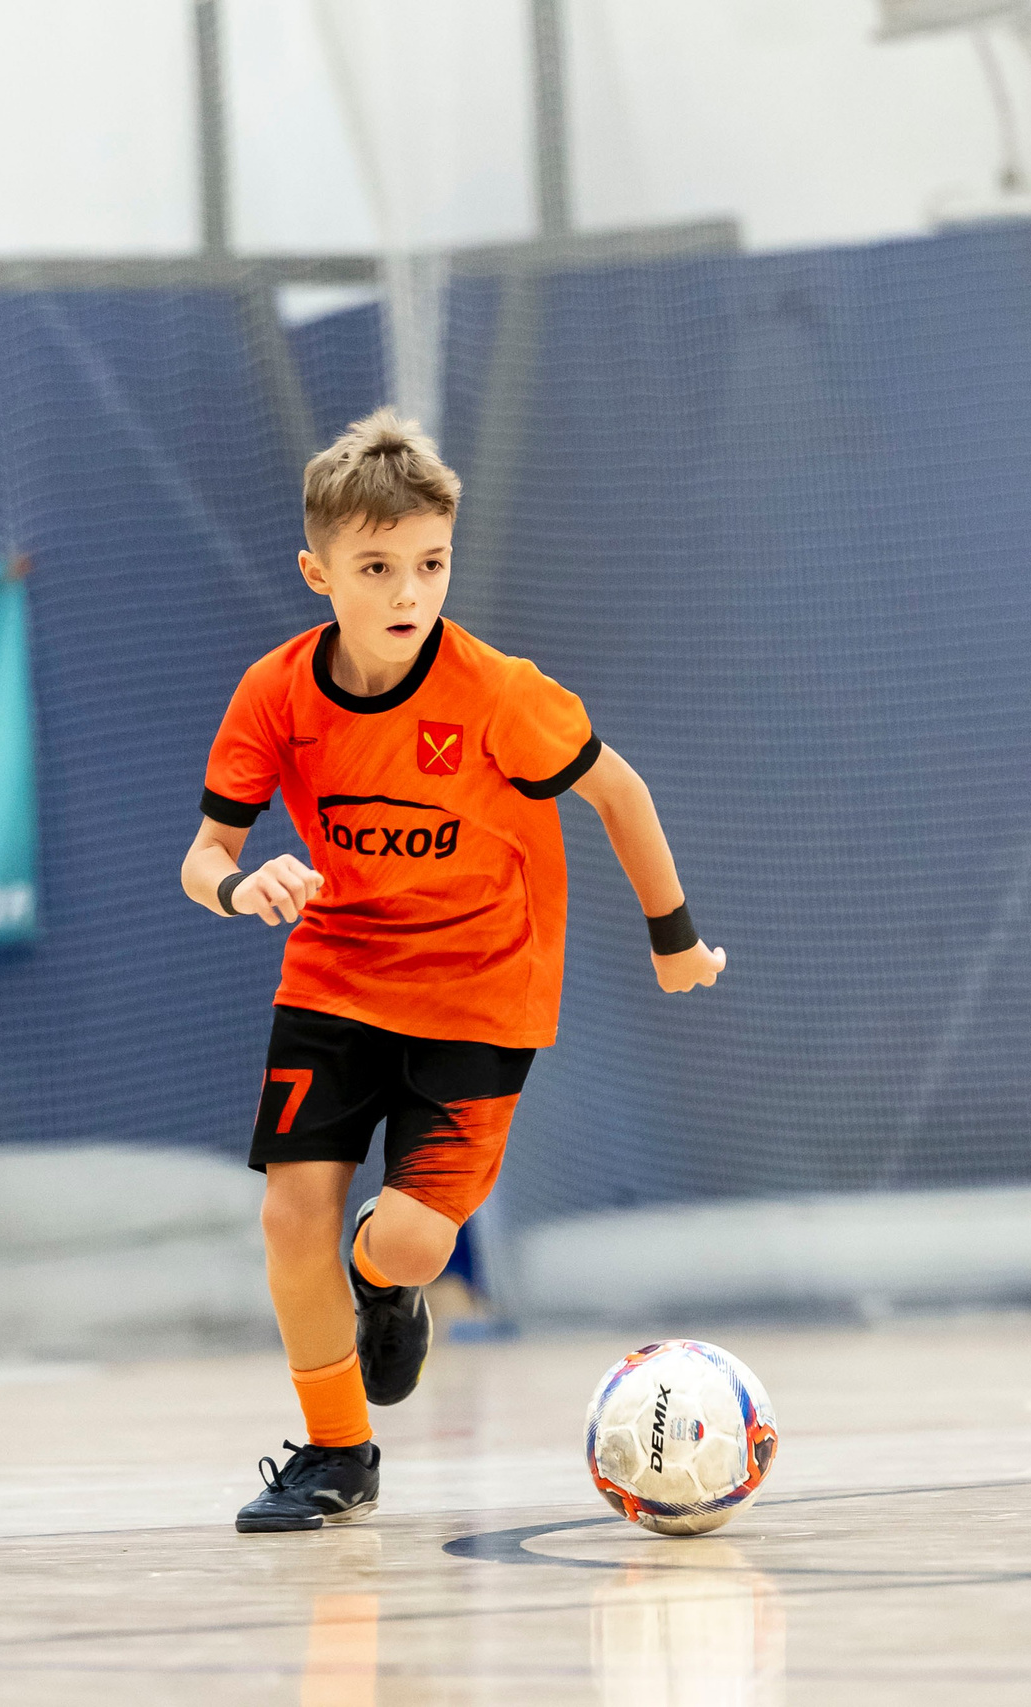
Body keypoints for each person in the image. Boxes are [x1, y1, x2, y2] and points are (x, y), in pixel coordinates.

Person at [181, 408, 726, 1531]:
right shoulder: (274, 694)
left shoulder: (497, 694)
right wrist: (242, 885)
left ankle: (389, 1285)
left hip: (484, 988)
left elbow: (620, 793)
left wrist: (673, 940)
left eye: (427, 564)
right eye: (375, 568)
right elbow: (204, 857)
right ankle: (338, 1456)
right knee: (291, 1221)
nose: (405, 592)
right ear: (317, 572)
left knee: (411, 1237)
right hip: (335, 974)